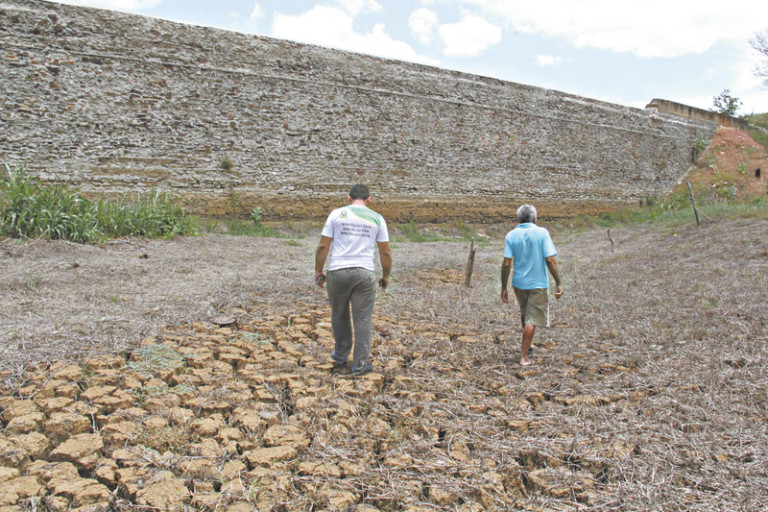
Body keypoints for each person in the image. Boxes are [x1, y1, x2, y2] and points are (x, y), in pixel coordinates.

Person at [315, 184, 392, 376]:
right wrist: (386, 275)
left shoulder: (336, 214)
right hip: (364, 273)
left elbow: (323, 246)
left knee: (339, 314)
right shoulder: (377, 218)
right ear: (369, 200)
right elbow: (385, 251)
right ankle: (359, 365)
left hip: (338, 271)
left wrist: (318, 270)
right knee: (363, 319)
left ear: (349, 198)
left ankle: (340, 356)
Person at [500, 204, 564, 366]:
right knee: (531, 319)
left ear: (519, 219)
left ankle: (529, 343)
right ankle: (524, 357)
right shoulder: (542, 233)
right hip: (537, 283)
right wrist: (558, 282)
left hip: (519, 283)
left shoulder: (511, 235)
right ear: (535, 218)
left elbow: (507, 263)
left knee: (525, 312)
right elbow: (549, 259)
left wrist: (503, 287)